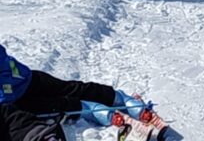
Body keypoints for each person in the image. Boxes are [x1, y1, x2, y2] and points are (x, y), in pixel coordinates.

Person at [0, 45, 149, 141]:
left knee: (68, 92)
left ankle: (115, 99)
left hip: (23, 86)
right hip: (22, 85)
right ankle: (100, 107)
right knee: (60, 100)